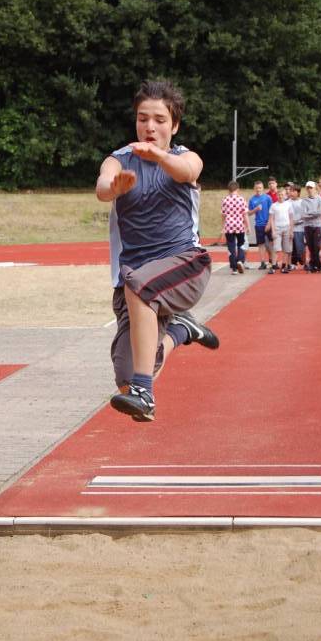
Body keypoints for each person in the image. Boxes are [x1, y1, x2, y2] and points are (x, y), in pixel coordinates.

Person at [95, 78, 219, 422]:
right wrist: (113, 187)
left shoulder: (185, 157)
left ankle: (145, 393)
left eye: (160, 120)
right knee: (127, 377)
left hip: (185, 265)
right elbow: (103, 186)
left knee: (140, 288)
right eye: (143, 118)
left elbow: (187, 171)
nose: (149, 127)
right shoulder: (119, 160)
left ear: (174, 126)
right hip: (134, 279)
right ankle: (181, 331)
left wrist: (159, 156)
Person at [221, 180, 250, 275]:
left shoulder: (225, 200)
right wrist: (248, 226)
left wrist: (223, 228)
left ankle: (234, 268)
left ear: (228, 190)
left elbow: (223, 215)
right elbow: (245, 214)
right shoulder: (241, 199)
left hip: (229, 226)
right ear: (238, 189)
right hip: (239, 226)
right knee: (241, 244)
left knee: (231, 246)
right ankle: (240, 260)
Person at [247, 180, 273, 269]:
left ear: (263, 188)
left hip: (268, 223)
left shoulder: (267, 198)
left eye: (260, 188)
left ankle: (272, 260)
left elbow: (272, 212)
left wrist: (269, 223)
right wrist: (256, 209)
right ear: (254, 188)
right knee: (261, 244)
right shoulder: (252, 199)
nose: (258, 190)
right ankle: (262, 262)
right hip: (258, 224)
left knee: (270, 244)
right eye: (257, 188)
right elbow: (249, 213)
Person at [269, 188, 294, 273]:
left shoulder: (288, 205)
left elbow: (291, 218)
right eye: (279, 194)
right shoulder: (273, 206)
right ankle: (273, 266)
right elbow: (271, 219)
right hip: (277, 229)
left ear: (285, 195)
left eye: (282, 194)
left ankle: (284, 266)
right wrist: (273, 231)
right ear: (277, 195)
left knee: (286, 249)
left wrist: (291, 230)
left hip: (287, 228)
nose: (280, 196)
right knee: (276, 248)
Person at [302, 181, 321, 272]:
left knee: (317, 246)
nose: (309, 189)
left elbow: (320, 212)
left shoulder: (320, 199)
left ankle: (314, 264)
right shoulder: (304, 201)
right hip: (307, 226)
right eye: (308, 188)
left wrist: (309, 213)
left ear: (315, 188)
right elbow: (303, 215)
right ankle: (316, 265)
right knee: (310, 246)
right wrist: (314, 213)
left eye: (311, 188)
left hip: (317, 225)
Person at [287, 184, 306, 270]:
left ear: (298, 192)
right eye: (290, 191)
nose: (291, 193)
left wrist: (296, 222)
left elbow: (304, 216)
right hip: (289, 229)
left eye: (293, 191)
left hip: (300, 228)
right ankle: (292, 263)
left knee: (300, 247)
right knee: (291, 247)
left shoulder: (302, 202)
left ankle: (304, 262)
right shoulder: (287, 202)